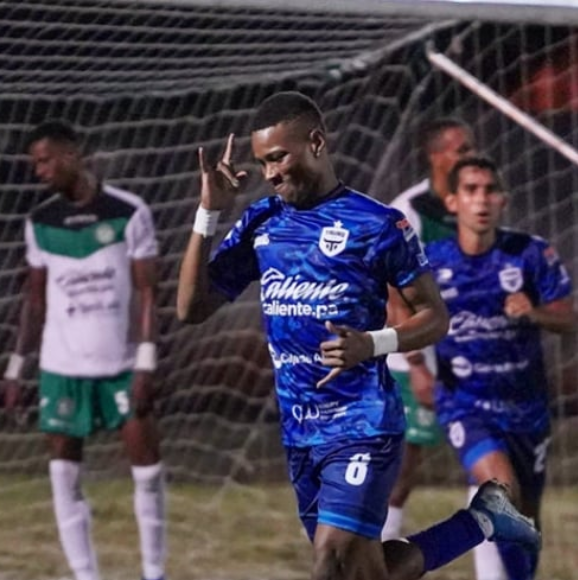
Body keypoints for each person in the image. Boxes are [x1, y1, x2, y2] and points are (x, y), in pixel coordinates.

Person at [176, 91, 540, 580]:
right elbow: (191, 308)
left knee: (329, 560)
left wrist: (372, 343)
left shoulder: (376, 223)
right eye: (262, 163)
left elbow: (435, 317)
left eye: (278, 157)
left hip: (361, 422)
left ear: (316, 142)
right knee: (361, 572)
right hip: (300, 428)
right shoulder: (262, 221)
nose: (270, 173)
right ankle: (484, 520)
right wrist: (208, 214)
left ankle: (484, 521)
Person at [3, 120, 167, 580]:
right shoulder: (40, 222)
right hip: (61, 367)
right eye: (35, 163)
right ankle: (84, 574)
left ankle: (154, 573)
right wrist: (16, 367)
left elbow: (148, 292)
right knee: (64, 474)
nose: (39, 171)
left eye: (45, 161)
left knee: (148, 471)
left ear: (72, 155)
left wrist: (146, 361)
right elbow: (35, 300)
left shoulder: (128, 211)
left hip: (122, 366)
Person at [423, 156, 577, 580]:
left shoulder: (530, 253)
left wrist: (534, 312)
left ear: (504, 199)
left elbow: (568, 317)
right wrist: (415, 364)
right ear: (452, 202)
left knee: (526, 518)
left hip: (527, 407)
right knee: (502, 491)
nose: (482, 199)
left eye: (490, 190)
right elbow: (397, 303)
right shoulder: (431, 262)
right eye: (471, 190)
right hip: (465, 404)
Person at [382, 117, 476, 541]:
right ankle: (374, 557)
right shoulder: (409, 211)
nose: (471, 156)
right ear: (436, 157)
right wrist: (418, 365)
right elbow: (393, 297)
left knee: (487, 462)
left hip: (465, 350)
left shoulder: (470, 204)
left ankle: (493, 558)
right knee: (403, 468)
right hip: (414, 354)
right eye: (462, 149)